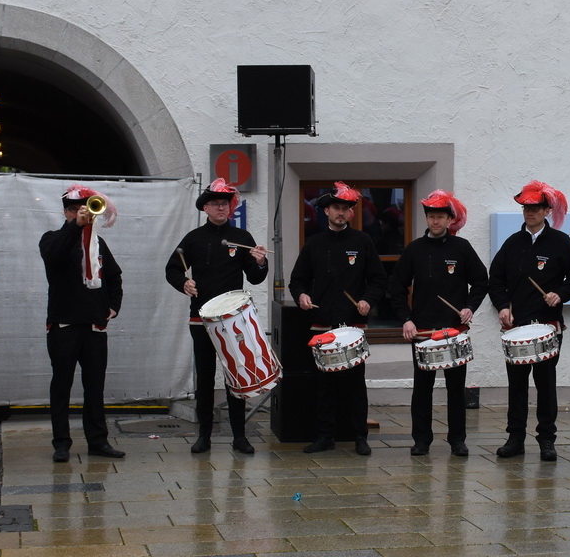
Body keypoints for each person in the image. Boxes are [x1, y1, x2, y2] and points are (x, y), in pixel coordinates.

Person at [165, 179, 268, 455]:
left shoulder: (242, 238)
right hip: (201, 320)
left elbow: (256, 279)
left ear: (230, 207)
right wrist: (183, 284)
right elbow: (172, 269)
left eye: (225, 203)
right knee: (206, 378)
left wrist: (260, 262)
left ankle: (239, 436)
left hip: (233, 321)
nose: (221, 207)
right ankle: (204, 436)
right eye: (215, 204)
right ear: (206, 208)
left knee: (235, 378)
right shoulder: (193, 238)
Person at [489, 181, 570, 462]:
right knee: (516, 385)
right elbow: (496, 280)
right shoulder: (512, 243)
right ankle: (515, 438)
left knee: (545, 383)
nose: (529, 212)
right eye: (525, 208)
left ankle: (547, 440)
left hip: (547, 325)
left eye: (534, 208)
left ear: (546, 210)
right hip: (516, 327)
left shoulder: (560, 242)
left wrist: (560, 294)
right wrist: (503, 306)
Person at [389, 190, 488, 457]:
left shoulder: (462, 248)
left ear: (449, 219)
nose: (435, 221)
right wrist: (406, 319)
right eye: (431, 216)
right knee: (422, 389)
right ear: (427, 219)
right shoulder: (414, 250)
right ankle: (421, 440)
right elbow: (396, 287)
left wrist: (469, 306)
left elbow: (481, 281)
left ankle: (457, 439)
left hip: (454, 331)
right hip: (422, 331)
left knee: (456, 389)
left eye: (440, 216)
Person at [290, 182, 386, 456]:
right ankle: (325, 436)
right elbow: (298, 281)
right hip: (322, 324)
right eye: (336, 208)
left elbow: (378, 280)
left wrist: (368, 299)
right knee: (324, 386)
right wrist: (302, 297)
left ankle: (360, 437)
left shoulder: (363, 242)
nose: (340, 213)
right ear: (326, 212)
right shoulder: (314, 244)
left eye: (345, 208)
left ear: (350, 213)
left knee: (356, 385)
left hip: (352, 327)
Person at [41, 186, 125, 463]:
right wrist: (75, 227)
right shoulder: (53, 238)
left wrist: (112, 307)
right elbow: (53, 256)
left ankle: (97, 441)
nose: (83, 213)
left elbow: (114, 277)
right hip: (64, 324)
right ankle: (61, 443)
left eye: (86, 208)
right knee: (61, 384)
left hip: (94, 326)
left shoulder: (98, 244)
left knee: (95, 385)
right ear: (66, 211)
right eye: (77, 208)